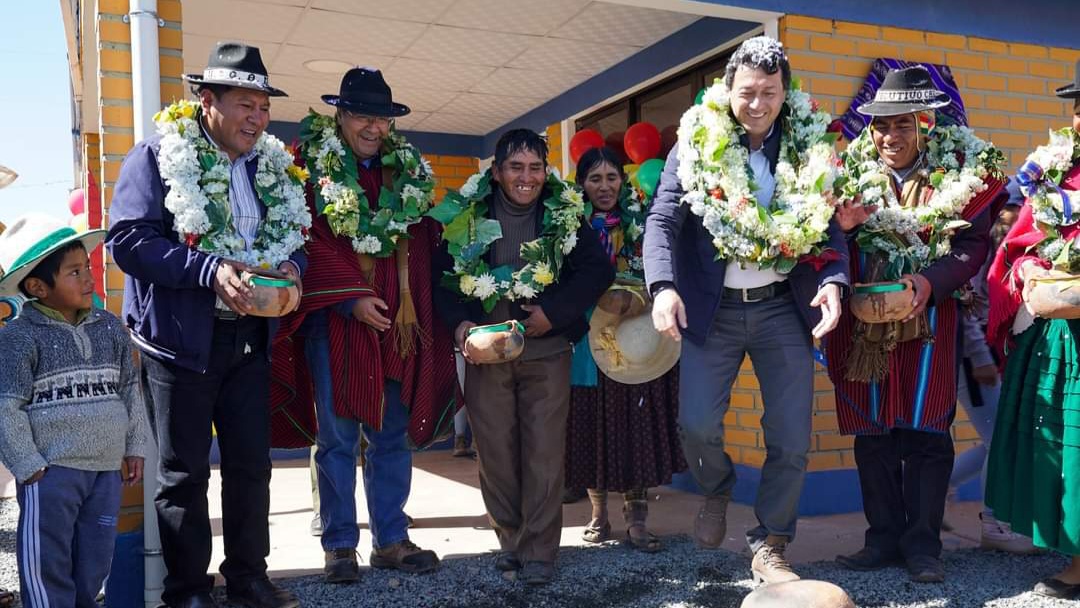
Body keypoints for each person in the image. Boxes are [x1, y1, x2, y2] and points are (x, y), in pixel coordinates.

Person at [108, 42, 308, 608]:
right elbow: (129, 242)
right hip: (179, 344)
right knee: (183, 476)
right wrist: (208, 270)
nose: (257, 118)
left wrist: (293, 268)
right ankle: (188, 591)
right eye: (245, 104)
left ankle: (248, 579)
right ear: (206, 100)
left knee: (251, 468)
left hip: (249, 339)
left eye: (263, 107)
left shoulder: (272, 166)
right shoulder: (155, 155)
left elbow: (297, 238)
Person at [643, 36, 848, 585]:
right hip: (714, 312)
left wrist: (832, 281)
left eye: (770, 93)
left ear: (786, 93)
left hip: (783, 308)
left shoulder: (808, 148)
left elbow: (826, 228)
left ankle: (772, 541)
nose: (758, 104)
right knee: (698, 423)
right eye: (747, 92)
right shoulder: (693, 144)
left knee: (791, 436)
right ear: (727, 90)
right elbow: (662, 220)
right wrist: (663, 286)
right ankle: (716, 488)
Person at [271, 67, 458, 584]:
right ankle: (339, 546)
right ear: (340, 115)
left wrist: (410, 304)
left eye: (382, 116)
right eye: (361, 115)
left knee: (391, 437)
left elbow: (419, 239)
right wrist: (351, 297)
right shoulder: (308, 171)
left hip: (395, 325)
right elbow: (304, 240)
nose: (373, 126)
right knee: (335, 439)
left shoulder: (408, 173)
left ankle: (391, 539)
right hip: (336, 327)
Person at [827, 66, 1004, 583]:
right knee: (873, 431)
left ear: (925, 123)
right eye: (881, 126)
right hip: (865, 327)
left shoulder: (958, 176)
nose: (889, 137)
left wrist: (928, 282)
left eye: (901, 124)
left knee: (928, 431)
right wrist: (842, 228)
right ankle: (881, 538)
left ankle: (923, 546)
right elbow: (824, 242)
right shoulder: (850, 175)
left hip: (930, 324)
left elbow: (973, 248)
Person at [432, 129, 614, 585]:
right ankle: (510, 542)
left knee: (544, 453)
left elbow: (598, 269)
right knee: (495, 452)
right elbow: (441, 279)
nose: (526, 177)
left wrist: (554, 313)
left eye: (535, 167)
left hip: (547, 350)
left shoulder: (565, 214)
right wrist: (460, 326)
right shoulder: (468, 215)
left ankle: (539, 551)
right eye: (516, 167)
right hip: (486, 352)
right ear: (496, 173)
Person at [0, 214, 147, 607]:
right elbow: (5, 405)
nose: (88, 278)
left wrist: (135, 445)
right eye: (74, 272)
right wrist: (28, 463)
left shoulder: (109, 327)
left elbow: (129, 388)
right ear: (37, 286)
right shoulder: (19, 337)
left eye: (88, 267)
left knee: (94, 562)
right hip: (50, 472)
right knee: (48, 563)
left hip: (104, 471)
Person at [983, 60, 1080, 600]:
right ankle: (1078, 559)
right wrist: (1030, 270)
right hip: (1062, 333)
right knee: (1068, 449)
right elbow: (1016, 243)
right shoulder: (1053, 173)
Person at [563, 146, 685, 553]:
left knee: (636, 427)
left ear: (623, 181)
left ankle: (637, 518)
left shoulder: (644, 222)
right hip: (588, 342)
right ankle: (599, 514)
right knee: (593, 426)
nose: (603, 187)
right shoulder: (566, 227)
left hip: (636, 338)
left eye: (611, 178)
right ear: (581, 184)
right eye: (594, 179)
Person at [946, 189, 1037, 554]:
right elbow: (967, 308)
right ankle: (994, 522)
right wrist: (981, 357)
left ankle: (929, 491)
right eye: (1011, 209)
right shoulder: (985, 250)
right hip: (975, 360)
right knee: (999, 441)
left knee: (995, 440)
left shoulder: (1016, 249)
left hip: (992, 357)